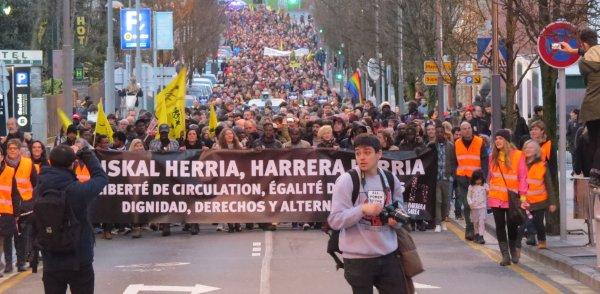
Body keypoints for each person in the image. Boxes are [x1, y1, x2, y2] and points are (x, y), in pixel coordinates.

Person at [328, 134, 407, 293]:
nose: (362, 158)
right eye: (358, 153)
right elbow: (335, 220)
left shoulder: (391, 179)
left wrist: (396, 221)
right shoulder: (347, 181)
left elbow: (401, 210)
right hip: (358, 259)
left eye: (367, 152)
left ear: (379, 154)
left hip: (388, 255)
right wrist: (361, 210)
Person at [36, 142, 108, 293]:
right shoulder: (76, 191)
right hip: (79, 257)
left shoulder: (40, 187)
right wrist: (87, 154)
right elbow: (101, 178)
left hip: (51, 257)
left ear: (50, 161)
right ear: (73, 164)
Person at [561, 28, 600, 190]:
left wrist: (573, 51)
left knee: (594, 141)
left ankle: (593, 174)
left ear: (584, 43)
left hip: (590, 108)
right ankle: (596, 173)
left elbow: (589, 54)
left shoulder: (584, 63)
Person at [487, 129, 528, 266]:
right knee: (499, 226)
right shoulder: (492, 157)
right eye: (496, 139)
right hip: (496, 196)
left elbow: (523, 178)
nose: (497, 141)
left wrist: (522, 198)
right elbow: (492, 177)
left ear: (507, 140)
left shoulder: (518, 155)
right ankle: (505, 255)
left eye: (500, 138)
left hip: (512, 198)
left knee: (512, 225)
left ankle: (513, 250)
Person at [450, 121, 488, 240]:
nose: (467, 130)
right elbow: (454, 162)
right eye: (464, 129)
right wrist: (457, 175)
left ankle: (478, 232)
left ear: (472, 129)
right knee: (467, 205)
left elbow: (484, 161)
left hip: (477, 180)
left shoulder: (480, 142)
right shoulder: (456, 143)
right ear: (460, 131)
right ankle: (469, 228)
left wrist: (482, 178)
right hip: (462, 179)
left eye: (469, 128)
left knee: (478, 207)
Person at [3, 139, 36, 273]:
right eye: (10, 148)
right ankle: (8, 264)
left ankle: (21, 262)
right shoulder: (2, 164)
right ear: (6, 150)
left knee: (21, 235)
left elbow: (36, 183)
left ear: (19, 150)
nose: (12, 150)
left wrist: (33, 201)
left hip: (25, 205)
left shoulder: (28, 163)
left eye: (15, 148)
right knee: (6, 236)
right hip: (6, 206)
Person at [522, 140, 558, 249]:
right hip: (525, 200)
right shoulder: (520, 164)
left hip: (540, 201)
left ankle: (542, 239)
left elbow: (549, 185)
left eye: (531, 148)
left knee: (538, 222)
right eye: (526, 147)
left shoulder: (543, 165)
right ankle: (531, 237)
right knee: (527, 220)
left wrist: (552, 202)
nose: (528, 150)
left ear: (537, 151)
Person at [149, 124, 179, 236]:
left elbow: (176, 154)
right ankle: (161, 222)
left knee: (170, 199)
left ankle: (167, 224)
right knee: (160, 200)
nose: (164, 135)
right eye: (162, 133)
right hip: (158, 174)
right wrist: (161, 150)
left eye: (166, 133)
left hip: (172, 175)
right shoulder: (154, 143)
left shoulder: (174, 142)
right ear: (159, 133)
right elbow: (152, 153)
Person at [213, 128, 244, 233]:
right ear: (223, 136)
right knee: (227, 201)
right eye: (227, 134)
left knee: (236, 201)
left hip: (236, 177)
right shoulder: (218, 146)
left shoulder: (239, 146)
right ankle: (230, 223)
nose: (230, 136)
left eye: (231, 134)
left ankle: (237, 223)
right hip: (224, 178)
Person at [429, 125, 455, 232]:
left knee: (446, 202)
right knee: (438, 201)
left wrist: (452, 175)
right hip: (436, 178)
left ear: (444, 133)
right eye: (437, 132)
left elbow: (454, 161)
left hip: (446, 178)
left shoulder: (450, 146)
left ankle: (444, 220)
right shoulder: (431, 146)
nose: (439, 134)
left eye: (441, 132)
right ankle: (438, 223)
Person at [129, 139, 146, 239]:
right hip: (132, 187)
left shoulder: (148, 157)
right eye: (136, 145)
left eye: (140, 145)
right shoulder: (127, 157)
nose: (139, 147)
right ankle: (136, 227)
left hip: (146, 185)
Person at [467, 170, 488, 245]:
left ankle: (481, 236)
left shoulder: (485, 186)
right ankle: (476, 235)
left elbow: (489, 193)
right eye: (477, 179)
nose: (479, 181)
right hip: (474, 208)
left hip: (482, 207)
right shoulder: (471, 187)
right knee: (475, 222)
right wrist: (470, 203)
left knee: (481, 222)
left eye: (480, 179)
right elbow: (468, 196)